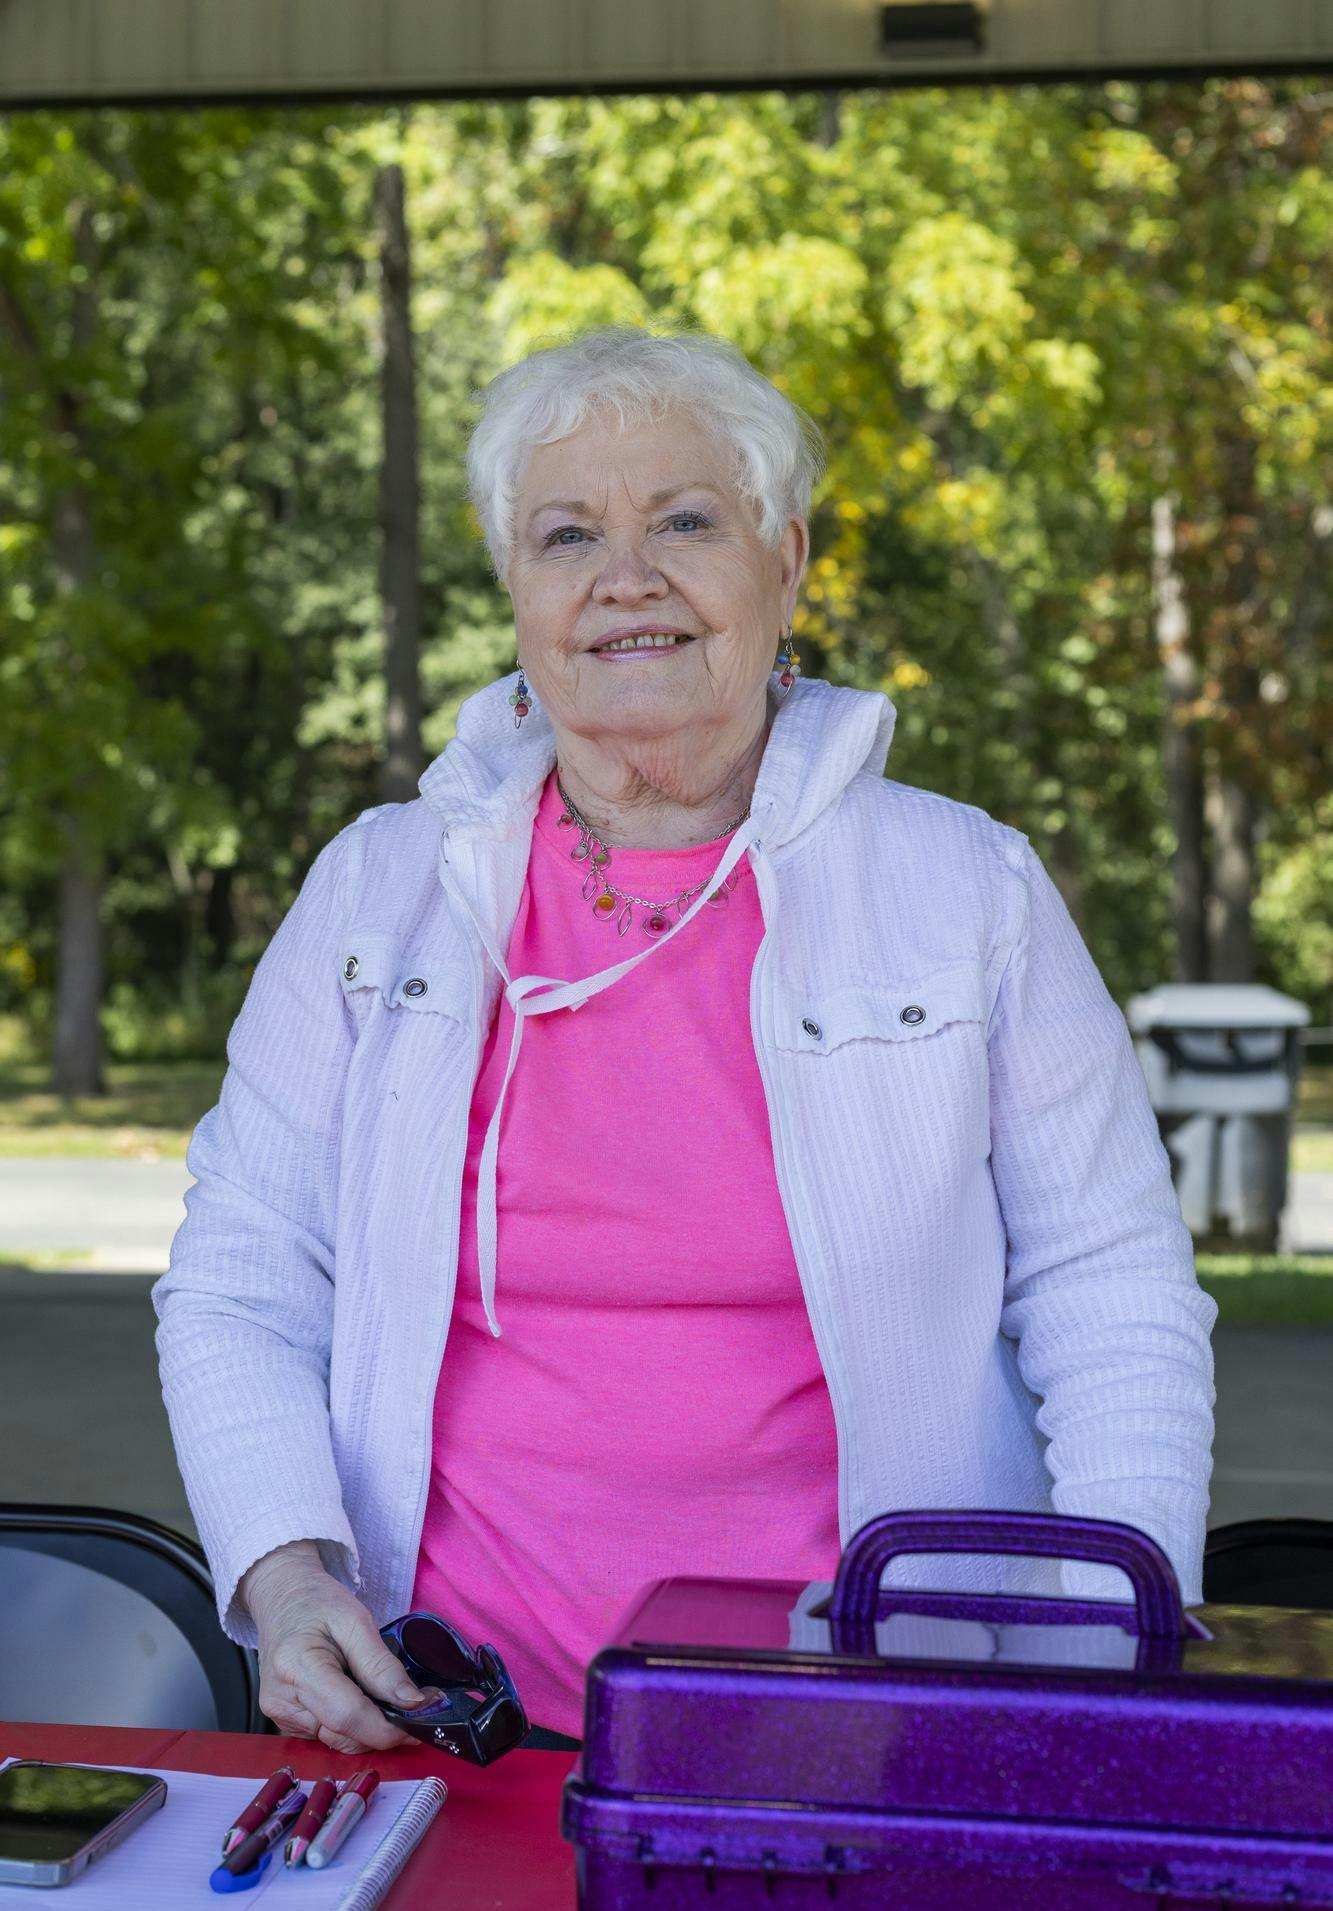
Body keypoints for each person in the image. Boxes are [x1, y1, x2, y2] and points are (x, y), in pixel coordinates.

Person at [153, 326, 1216, 1754]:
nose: (625, 577)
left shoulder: (967, 886)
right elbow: (240, 1273)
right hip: (448, 1721)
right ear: (514, 586)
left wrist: (1106, 1658)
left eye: (686, 522)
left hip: (874, 1716)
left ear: (784, 561)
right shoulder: (376, 885)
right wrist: (284, 1575)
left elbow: (1112, 1293)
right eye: (566, 534)